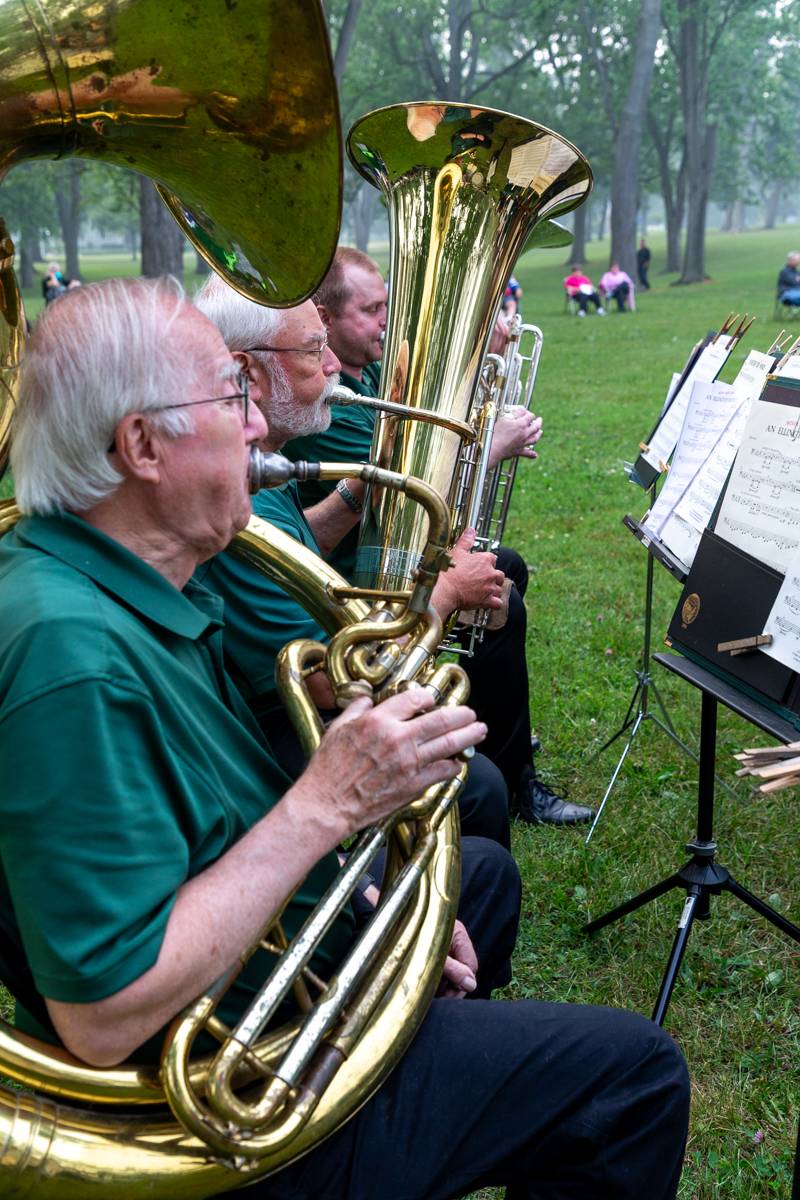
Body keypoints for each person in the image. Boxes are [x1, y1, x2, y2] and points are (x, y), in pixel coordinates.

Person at [0, 274, 691, 1200]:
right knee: (635, 1078)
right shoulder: (68, 654)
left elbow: (208, 827)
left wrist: (366, 905)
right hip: (241, 1099)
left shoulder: (128, 582)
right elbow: (104, 1009)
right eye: (228, 395)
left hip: (272, 996)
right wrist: (329, 805)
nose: (254, 424)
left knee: (475, 880)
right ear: (141, 445)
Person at [194, 275, 512, 849]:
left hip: (293, 694)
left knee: (477, 779)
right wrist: (445, 592)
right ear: (248, 374)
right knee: (480, 785)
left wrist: (357, 494)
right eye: (315, 349)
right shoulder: (234, 492)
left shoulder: (262, 464)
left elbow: (295, 547)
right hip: (278, 729)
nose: (335, 364)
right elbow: (322, 683)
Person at [285, 248, 594, 826]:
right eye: (372, 311)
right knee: (504, 596)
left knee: (509, 565)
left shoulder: (373, 371)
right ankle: (511, 779)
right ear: (324, 321)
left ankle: (493, 731)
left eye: (387, 308)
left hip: (393, 550)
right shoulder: (339, 407)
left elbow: (429, 429)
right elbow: (412, 482)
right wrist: (490, 446)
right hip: (368, 570)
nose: (387, 322)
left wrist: (483, 364)